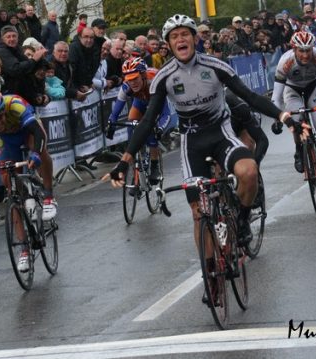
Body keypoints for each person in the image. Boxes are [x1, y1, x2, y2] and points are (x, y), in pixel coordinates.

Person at [103, 15, 294, 278]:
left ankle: (242, 217)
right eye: (174, 36)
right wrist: (124, 161)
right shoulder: (164, 77)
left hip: (222, 133)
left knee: (248, 171)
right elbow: (147, 122)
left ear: (194, 38)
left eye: (185, 34)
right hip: (192, 142)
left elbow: (248, 96)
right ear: (168, 45)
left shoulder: (215, 66)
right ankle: (210, 272)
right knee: (199, 212)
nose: (180, 39)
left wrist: (283, 115)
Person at [0, 88, 56, 270]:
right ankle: (24, 248)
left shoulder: (14, 104)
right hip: (7, 141)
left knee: (40, 151)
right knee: (9, 185)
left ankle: (48, 195)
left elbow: (38, 134)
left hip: (29, 131)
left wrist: (35, 153)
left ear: (3, 109)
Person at [272, 31, 316, 194]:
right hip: (292, 89)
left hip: (313, 88)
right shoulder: (285, 62)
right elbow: (277, 96)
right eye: (301, 50)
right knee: (296, 121)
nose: (305, 54)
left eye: (308, 50)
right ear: (294, 49)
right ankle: (298, 151)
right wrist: (277, 118)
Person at [104, 57, 173, 184]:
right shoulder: (126, 87)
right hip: (140, 101)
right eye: (129, 80)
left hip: (155, 101)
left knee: (151, 131)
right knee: (131, 123)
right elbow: (115, 113)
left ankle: (154, 164)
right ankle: (133, 168)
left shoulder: (155, 81)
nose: (133, 83)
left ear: (143, 75)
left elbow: (166, 113)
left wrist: (160, 128)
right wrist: (111, 126)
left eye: (135, 78)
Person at [0, 25, 47, 94]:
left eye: (14, 36)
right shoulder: (1, 52)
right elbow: (15, 69)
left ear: (18, 37)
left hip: (23, 91)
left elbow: (29, 68)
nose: (12, 39)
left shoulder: (17, 50)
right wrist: (34, 60)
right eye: (8, 37)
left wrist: (40, 58)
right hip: (9, 93)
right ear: (3, 39)